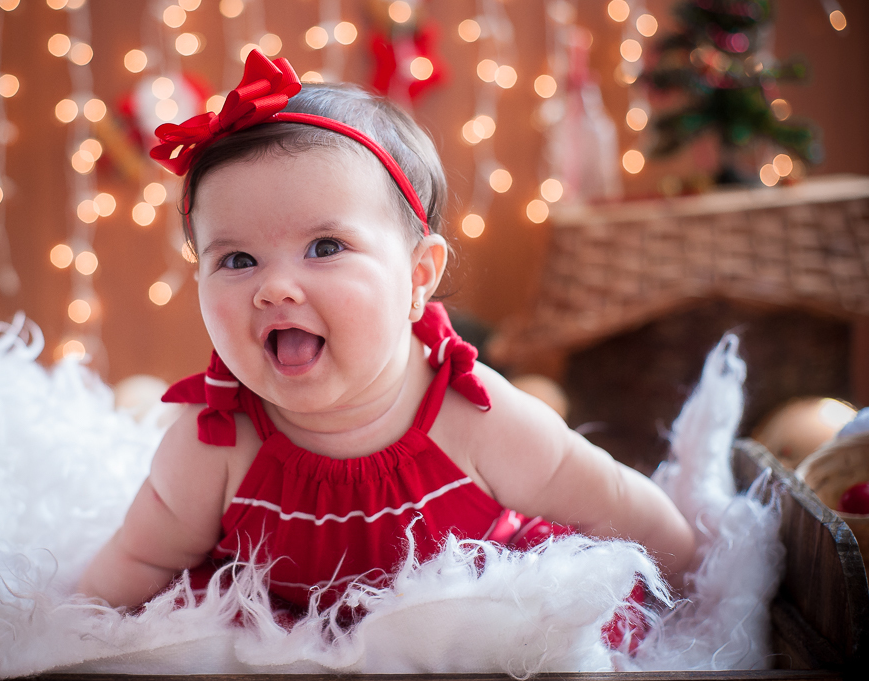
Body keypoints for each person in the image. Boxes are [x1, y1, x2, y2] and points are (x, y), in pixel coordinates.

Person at [77, 52, 695, 615]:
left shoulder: (477, 415)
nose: (275, 289)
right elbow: (138, 562)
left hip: (465, 621)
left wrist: (701, 588)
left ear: (417, 277)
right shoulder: (212, 442)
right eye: (237, 261)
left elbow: (615, 501)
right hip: (286, 631)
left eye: (325, 247)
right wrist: (57, 630)